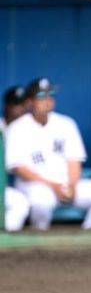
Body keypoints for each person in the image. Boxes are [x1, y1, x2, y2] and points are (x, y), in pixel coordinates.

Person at [4, 78, 91, 230]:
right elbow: (19, 168)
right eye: (41, 96)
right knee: (41, 201)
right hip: (36, 185)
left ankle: (90, 233)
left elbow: (74, 160)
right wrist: (53, 186)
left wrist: (72, 185)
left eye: (50, 95)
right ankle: (39, 237)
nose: (48, 100)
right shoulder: (17, 128)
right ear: (29, 102)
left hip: (66, 185)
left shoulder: (66, 123)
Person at [1, 86, 30, 232]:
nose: (21, 109)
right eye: (17, 105)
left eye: (23, 105)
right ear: (7, 107)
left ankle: (5, 238)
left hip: (15, 186)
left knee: (20, 203)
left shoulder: (30, 129)